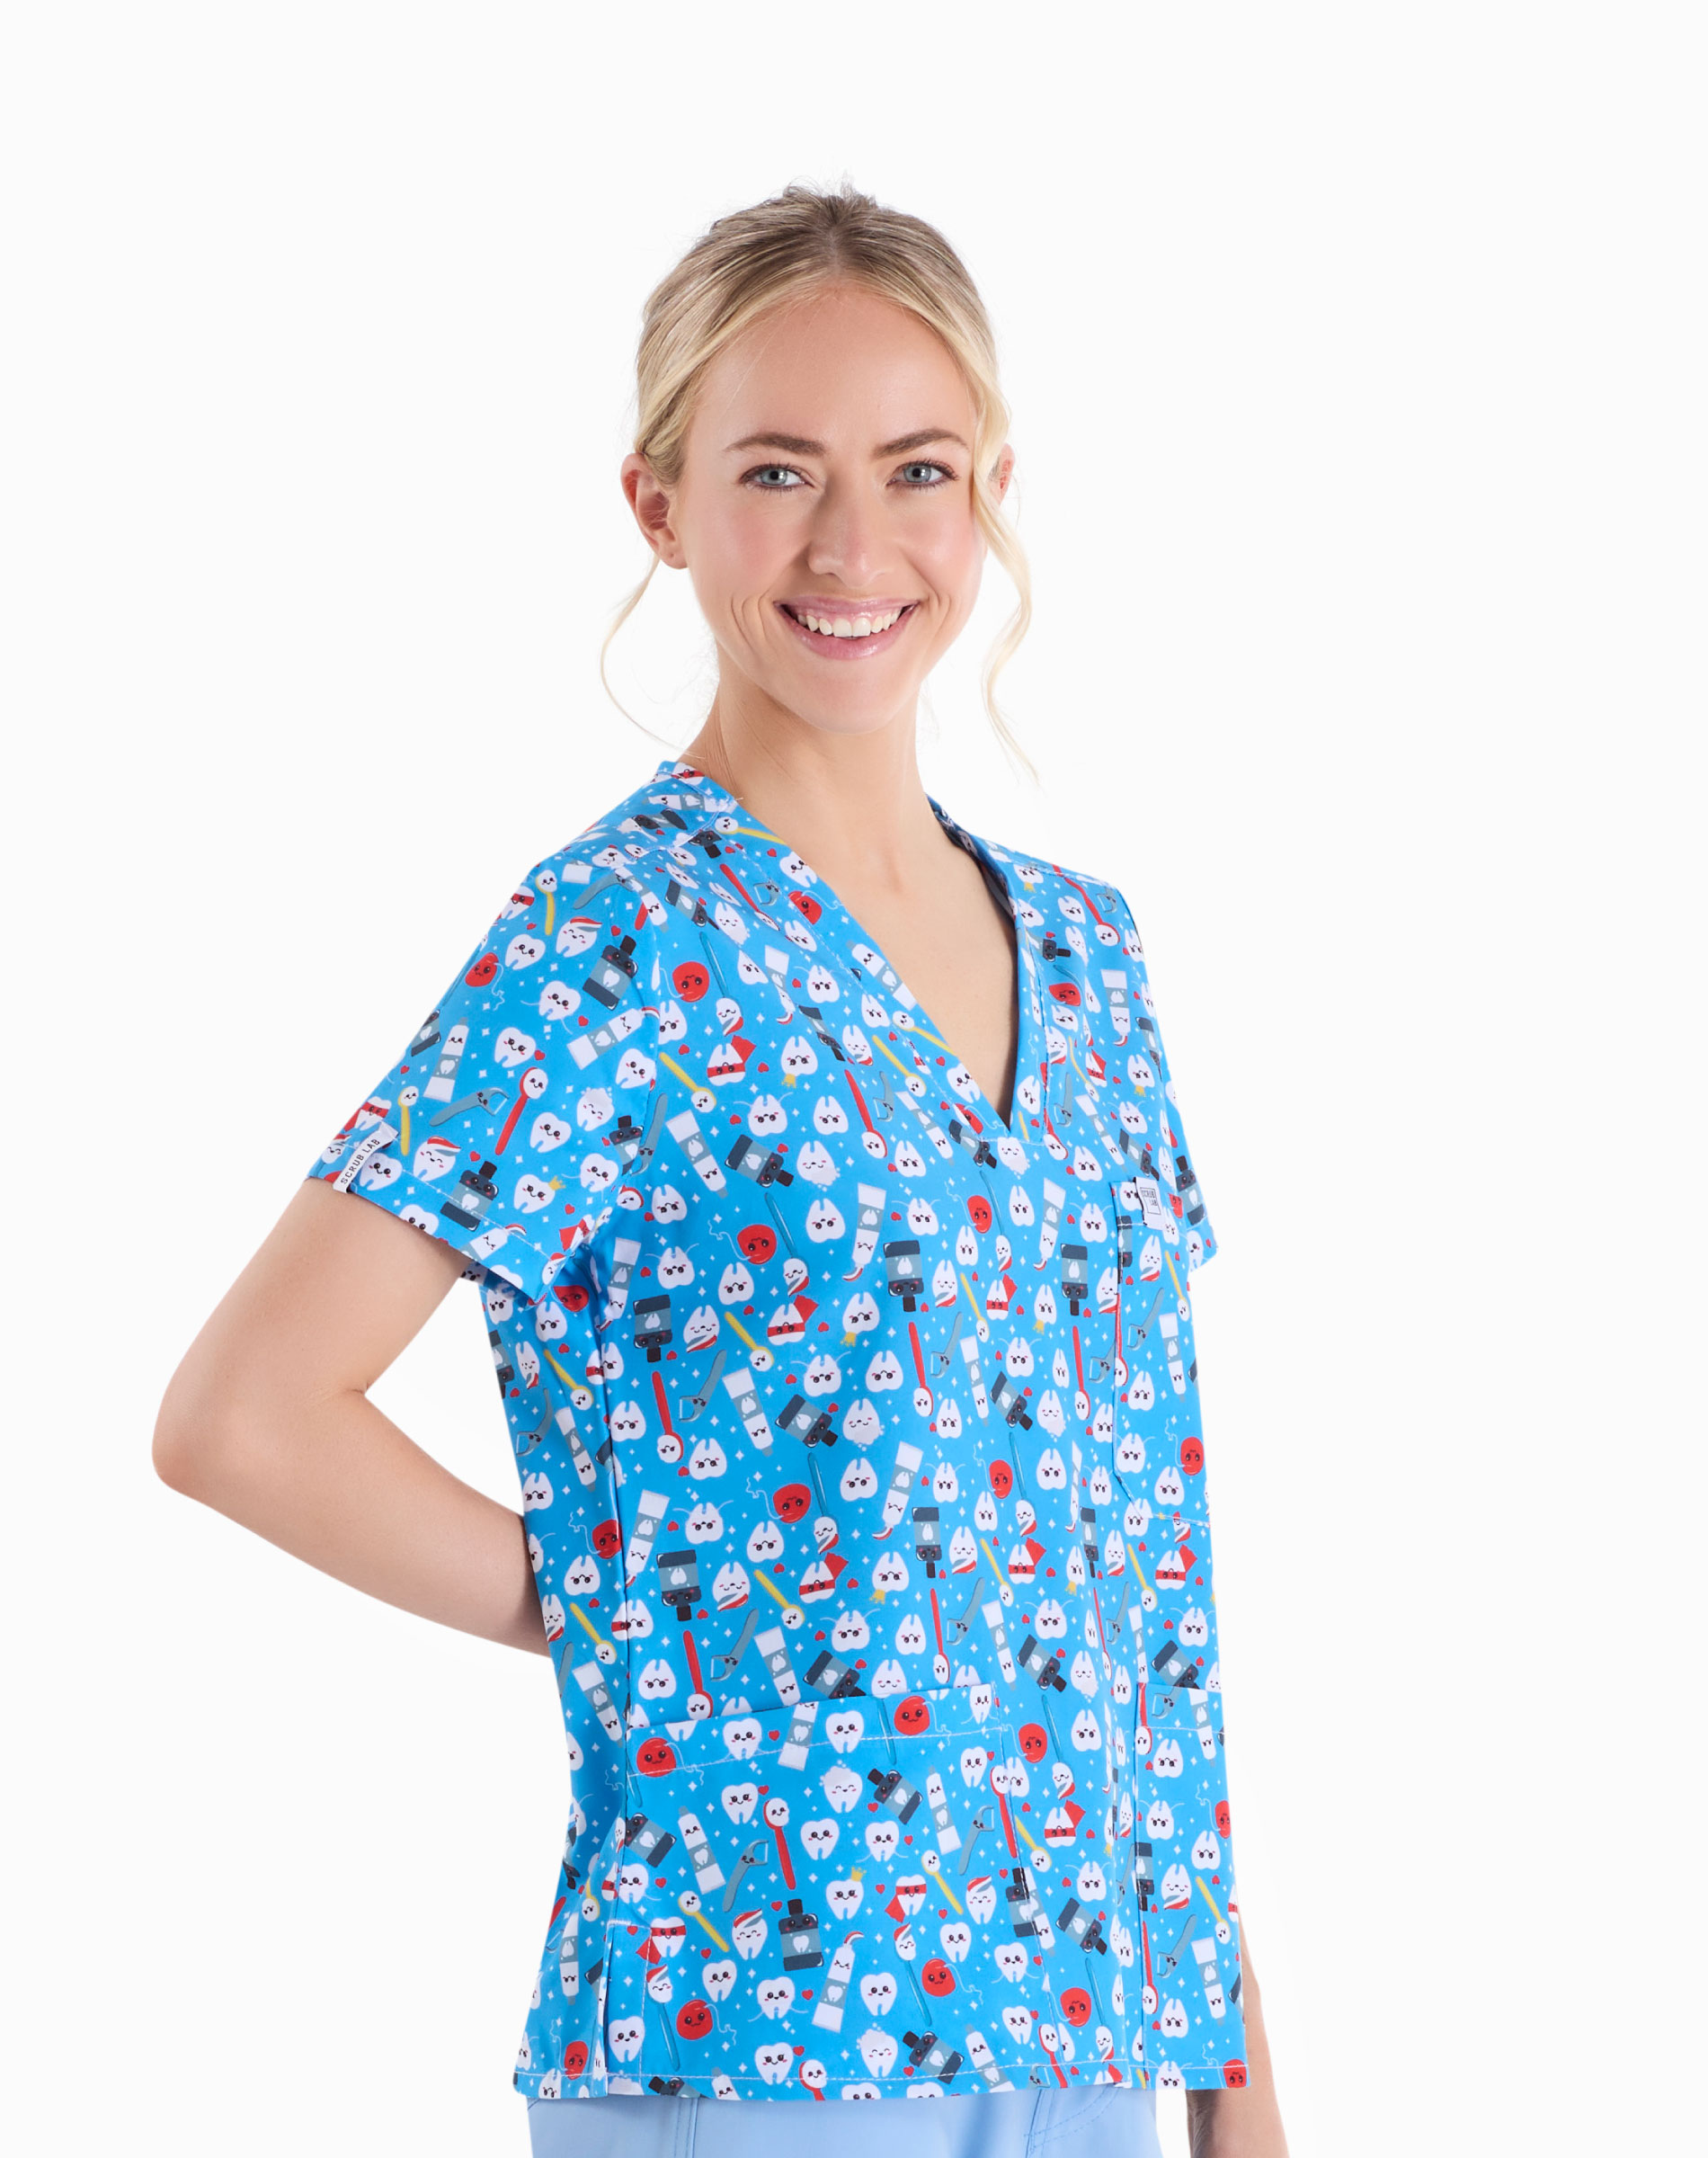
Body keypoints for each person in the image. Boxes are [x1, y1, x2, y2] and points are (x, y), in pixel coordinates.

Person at [155, 183, 1288, 2158]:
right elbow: (244, 1417)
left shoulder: (1091, 958)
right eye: (776, 472)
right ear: (659, 506)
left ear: (990, 492)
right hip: (756, 2025)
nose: (852, 546)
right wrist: (637, 1605)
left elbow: (1137, 1591)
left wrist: (1238, 2093)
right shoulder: (615, 944)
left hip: (1095, 2025)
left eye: (915, 470)